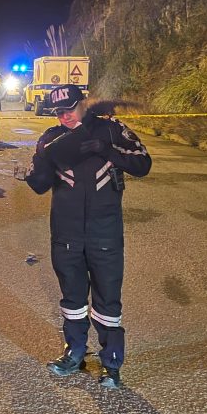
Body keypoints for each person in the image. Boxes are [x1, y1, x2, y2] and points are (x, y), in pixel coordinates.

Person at [25, 84, 152, 390]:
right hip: (66, 233)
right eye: (58, 112)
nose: (65, 116)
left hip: (104, 232)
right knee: (72, 300)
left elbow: (142, 163)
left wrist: (105, 149)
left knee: (108, 300)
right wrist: (36, 169)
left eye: (70, 108)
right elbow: (40, 184)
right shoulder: (50, 138)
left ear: (83, 103)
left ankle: (111, 364)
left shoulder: (111, 130)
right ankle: (75, 352)